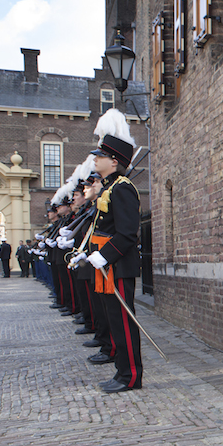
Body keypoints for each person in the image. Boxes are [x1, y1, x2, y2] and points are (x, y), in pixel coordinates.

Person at [82, 109, 144, 393]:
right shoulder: (109, 187)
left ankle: (130, 376)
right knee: (113, 322)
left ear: (114, 161)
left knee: (123, 323)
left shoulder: (122, 188)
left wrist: (104, 256)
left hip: (117, 266)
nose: (95, 159)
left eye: (100, 156)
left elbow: (128, 233)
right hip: (106, 267)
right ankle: (121, 371)